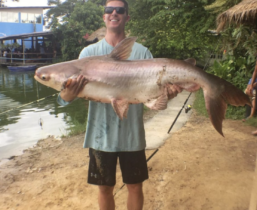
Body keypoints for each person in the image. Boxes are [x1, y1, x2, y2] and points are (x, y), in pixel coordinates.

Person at [57, 1, 181, 209]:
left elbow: (157, 94)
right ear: (104, 17)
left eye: (120, 10)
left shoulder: (143, 54)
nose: (114, 13)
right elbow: (64, 99)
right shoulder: (88, 54)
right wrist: (66, 94)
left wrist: (170, 94)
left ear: (126, 17)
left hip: (132, 135)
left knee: (135, 186)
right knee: (104, 188)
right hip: (99, 136)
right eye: (109, 10)